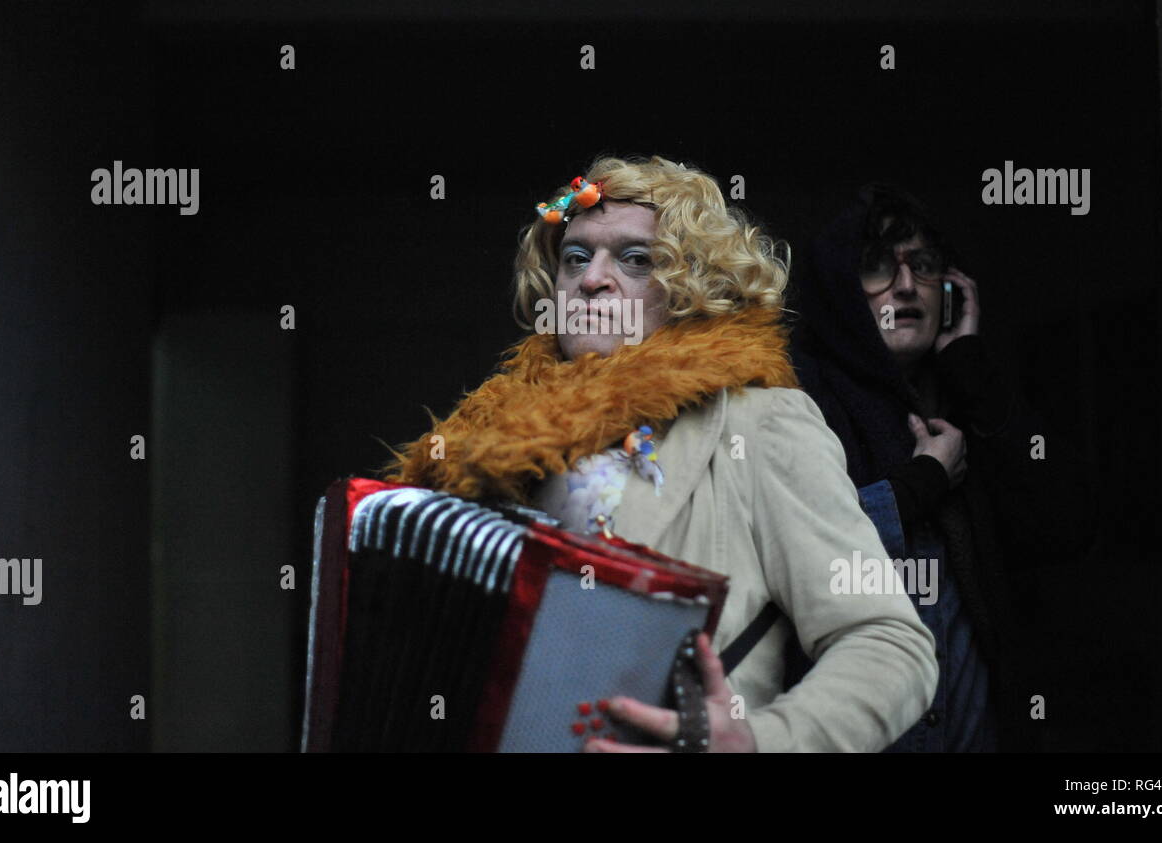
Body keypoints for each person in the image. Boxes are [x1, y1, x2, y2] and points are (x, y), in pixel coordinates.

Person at [383, 156, 937, 752]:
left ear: (690, 286)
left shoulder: (760, 422)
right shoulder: (484, 441)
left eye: (635, 258)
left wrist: (760, 743)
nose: (593, 278)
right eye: (575, 257)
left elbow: (888, 643)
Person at [794, 182, 1089, 752]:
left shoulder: (965, 397)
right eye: (877, 266)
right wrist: (921, 482)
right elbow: (797, 558)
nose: (906, 285)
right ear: (841, 287)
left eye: (923, 265)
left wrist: (972, 370)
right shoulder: (797, 395)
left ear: (950, 287)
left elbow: (1066, 524)